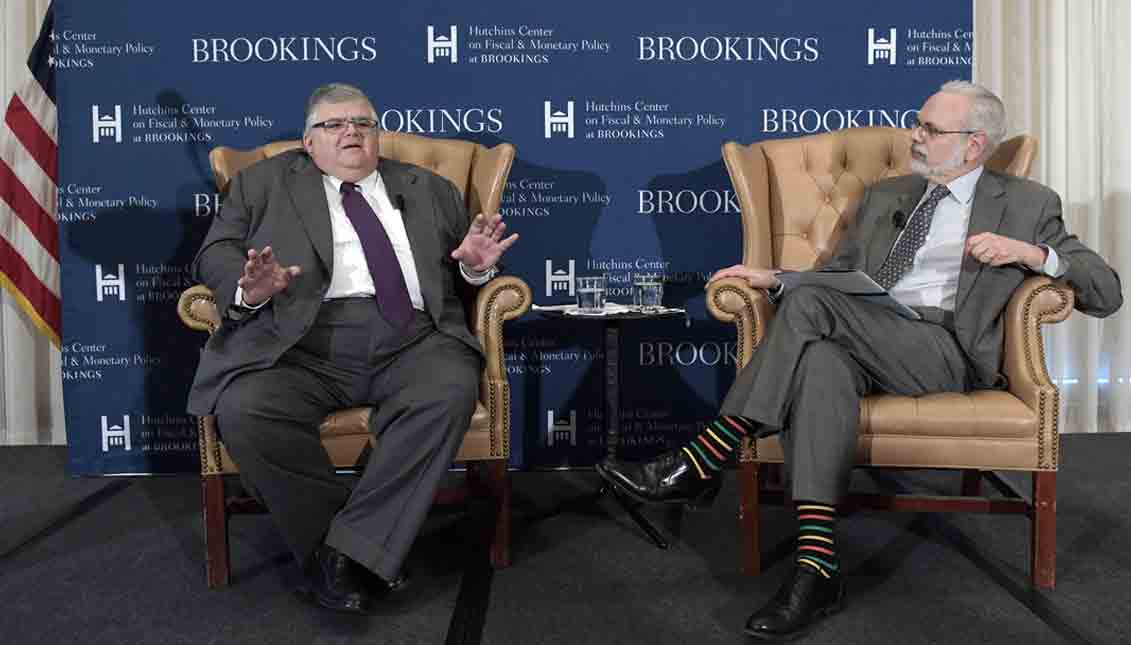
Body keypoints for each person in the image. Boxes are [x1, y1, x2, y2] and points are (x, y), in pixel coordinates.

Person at [596, 80, 1121, 640]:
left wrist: (1033, 254)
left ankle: (704, 457)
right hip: (862, 331)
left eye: (930, 130)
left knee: (814, 308)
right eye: (917, 123)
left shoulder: (1025, 202)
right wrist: (775, 278)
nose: (914, 136)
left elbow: (1106, 292)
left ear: (974, 145)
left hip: (943, 350)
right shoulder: (887, 195)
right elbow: (838, 279)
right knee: (821, 360)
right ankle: (817, 566)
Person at [186, 83, 518, 614]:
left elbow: (468, 261)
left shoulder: (429, 188)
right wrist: (250, 289)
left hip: (413, 338)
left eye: (363, 123)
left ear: (377, 136)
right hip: (303, 341)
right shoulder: (262, 182)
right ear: (308, 142)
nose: (351, 133)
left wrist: (476, 266)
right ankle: (352, 548)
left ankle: (343, 554)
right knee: (245, 410)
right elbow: (216, 252)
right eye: (334, 125)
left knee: (449, 390)